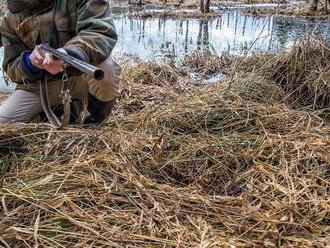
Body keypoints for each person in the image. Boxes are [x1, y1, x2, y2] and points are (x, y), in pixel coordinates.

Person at [0, 0, 121, 125]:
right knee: (3, 122)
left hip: (83, 74)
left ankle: (95, 121)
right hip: (43, 85)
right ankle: (51, 113)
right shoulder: (10, 18)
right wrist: (30, 62)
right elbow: (11, 66)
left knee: (106, 70)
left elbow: (100, 32)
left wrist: (69, 53)